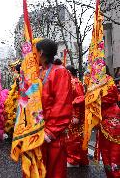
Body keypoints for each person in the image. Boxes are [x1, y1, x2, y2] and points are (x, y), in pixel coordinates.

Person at [36, 39, 73, 178]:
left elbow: (62, 105)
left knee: (54, 172)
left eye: (35, 52)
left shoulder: (60, 72)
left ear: (41, 52)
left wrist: (50, 132)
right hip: (37, 131)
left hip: (51, 135)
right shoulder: (39, 71)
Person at [65, 65, 89, 167]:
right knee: (77, 137)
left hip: (75, 115)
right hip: (75, 114)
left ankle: (74, 160)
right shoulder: (75, 82)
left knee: (74, 138)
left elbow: (79, 99)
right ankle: (81, 159)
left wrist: (76, 115)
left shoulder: (74, 82)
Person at [98, 72, 120, 177]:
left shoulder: (109, 82)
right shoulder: (96, 82)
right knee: (105, 152)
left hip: (112, 119)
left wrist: (96, 99)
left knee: (114, 153)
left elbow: (113, 97)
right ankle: (110, 174)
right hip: (103, 120)